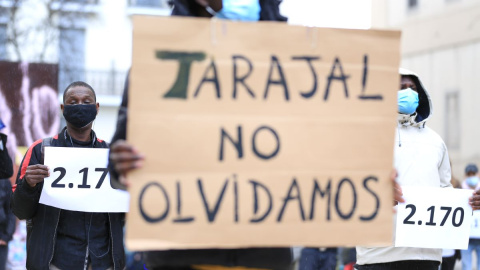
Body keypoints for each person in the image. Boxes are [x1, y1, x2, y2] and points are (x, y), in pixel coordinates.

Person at [11, 81, 125, 270]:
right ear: (63, 108)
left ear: (96, 108)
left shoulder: (111, 154)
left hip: (103, 263)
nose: (80, 105)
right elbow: (19, 211)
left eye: (86, 101)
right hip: (54, 262)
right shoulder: (40, 150)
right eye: (73, 102)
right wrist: (27, 186)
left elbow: (124, 211)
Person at [355, 68, 454, 270]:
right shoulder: (367, 136)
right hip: (378, 255)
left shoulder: (436, 142)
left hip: (426, 255)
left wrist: (469, 202)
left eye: (413, 88)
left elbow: (446, 191)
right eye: (401, 88)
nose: (409, 93)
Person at [461, 163, 480, 270]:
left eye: (473, 174)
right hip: (466, 236)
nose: (472, 176)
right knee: (466, 265)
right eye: (469, 174)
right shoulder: (460, 190)